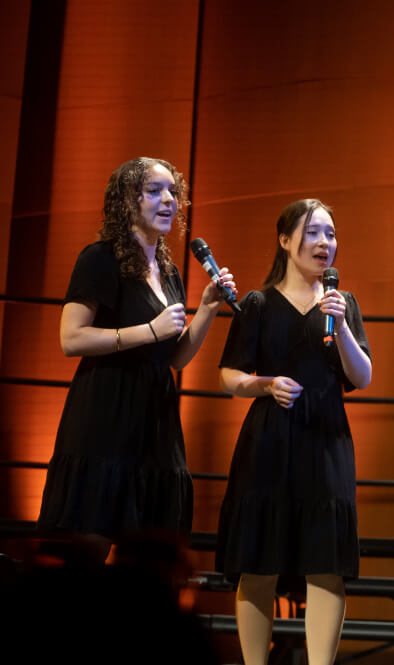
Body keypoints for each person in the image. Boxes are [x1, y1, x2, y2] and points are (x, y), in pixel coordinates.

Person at [37, 156, 237, 555]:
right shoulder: (100, 258)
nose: (168, 201)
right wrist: (148, 331)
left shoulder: (169, 271)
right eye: (154, 191)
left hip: (155, 417)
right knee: (90, 538)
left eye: (173, 192)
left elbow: (176, 358)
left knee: (149, 550)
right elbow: (71, 339)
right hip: (106, 409)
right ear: (128, 200)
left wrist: (208, 308)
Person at [214, 198, 372, 665]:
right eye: (314, 233)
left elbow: (361, 377)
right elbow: (229, 374)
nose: (325, 243)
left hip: (326, 440)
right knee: (258, 561)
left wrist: (342, 327)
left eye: (331, 233)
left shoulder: (343, 304)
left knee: (326, 566)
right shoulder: (258, 304)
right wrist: (263, 384)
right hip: (268, 439)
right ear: (285, 241)